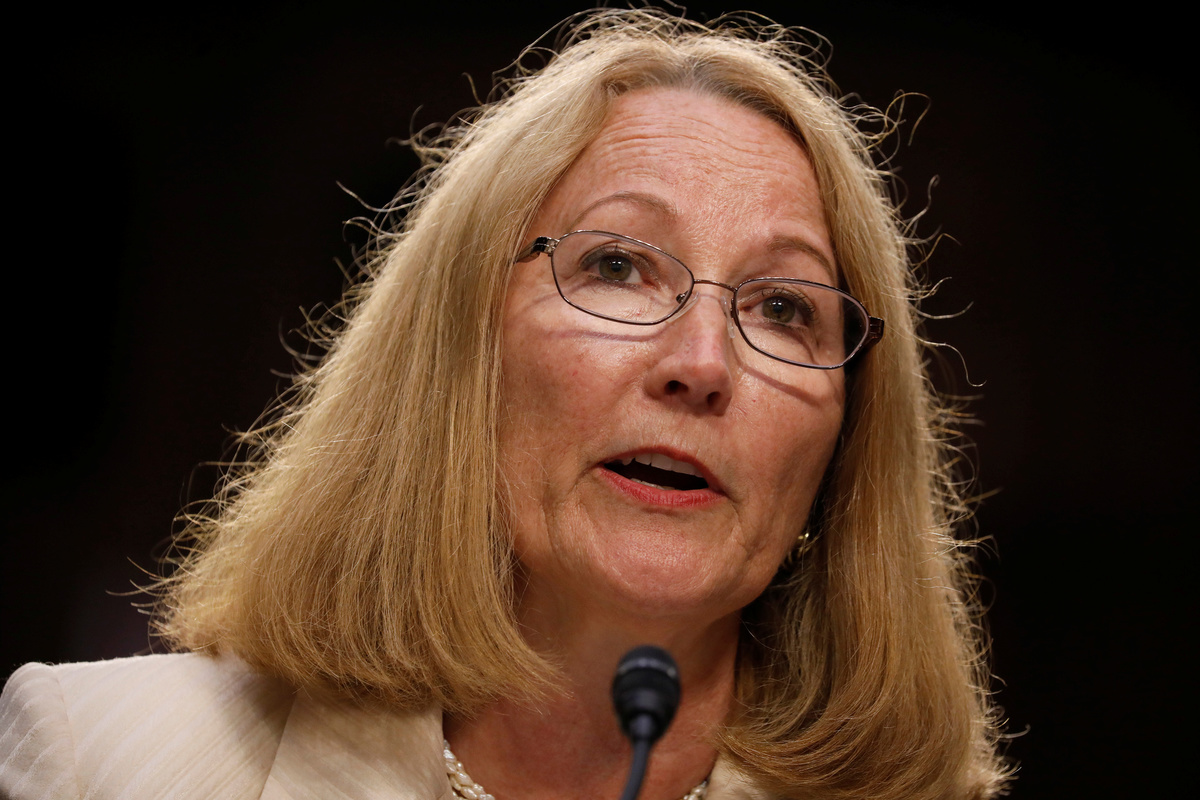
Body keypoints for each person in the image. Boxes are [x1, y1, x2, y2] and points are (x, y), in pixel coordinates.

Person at [0, 8, 1009, 799]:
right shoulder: (102, 758)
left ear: (843, 449)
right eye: (618, 266)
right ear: (459, 355)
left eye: (784, 308)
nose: (701, 363)